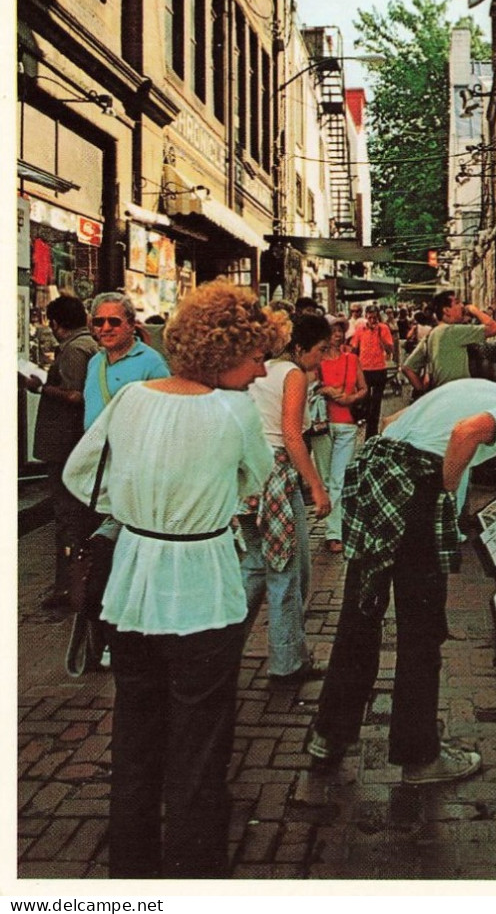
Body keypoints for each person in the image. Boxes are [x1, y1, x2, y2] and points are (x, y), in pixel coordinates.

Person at [62, 280, 279, 878]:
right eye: (257, 355)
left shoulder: (131, 400)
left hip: (132, 582)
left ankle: (131, 872)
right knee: (200, 744)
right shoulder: (233, 411)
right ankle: (194, 871)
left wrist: (137, 509)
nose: (262, 371)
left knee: (135, 734)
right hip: (204, 586)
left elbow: (82, 475)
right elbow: (256, 482)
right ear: (226, 351)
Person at [307, 363, 496, 785]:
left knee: (360, 614)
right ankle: (419, 756)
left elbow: (390, 421)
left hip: (379, 485)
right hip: (417, 498)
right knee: (422, 629)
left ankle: (329, 735)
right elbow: (465, 435)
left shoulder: (475, 387)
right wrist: (444, 489)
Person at [238, 313, 332, 681]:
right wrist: (317, 485)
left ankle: (224, 647)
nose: (322, 358)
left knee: (256, 566)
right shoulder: (292, 375)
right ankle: (287, 661)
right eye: (321, 350)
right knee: (284, 572)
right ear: (299, 347)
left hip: (249, 473)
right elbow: (292, 437)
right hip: (277, 476)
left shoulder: (259, 370)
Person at [19, 296, 99, 607]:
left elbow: (75, 395)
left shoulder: (74, 349)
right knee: (78, 513)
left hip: (65, 444)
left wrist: (38, 387)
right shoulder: (88, 345)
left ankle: (67, 586)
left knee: (67, 516)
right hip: (76, 442)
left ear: (55, 323)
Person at [312, 315, 368, 553]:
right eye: (332, 330)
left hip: (346, 424)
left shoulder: (351, 359)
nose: (337, 334)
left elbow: (364, 388)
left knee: (338, 479)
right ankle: (333, 527)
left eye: (339, 330)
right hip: (320, 424)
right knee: (326, 478)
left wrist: (349, 398)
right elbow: (309, 389)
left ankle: (334, 532)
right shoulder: (315, 361)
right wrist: (326, 390)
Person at [83, 292, 170, 428]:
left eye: (114, 321)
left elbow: (165, 415)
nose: (106, 328)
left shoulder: (152, 363)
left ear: (131, 324)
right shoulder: (95, 362)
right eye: (99, 322)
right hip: (96, 448)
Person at [400, 291, 496, 395]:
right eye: (457, 302)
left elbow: (407, 368)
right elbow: (495, 328)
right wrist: (473, 309)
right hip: (458, 395)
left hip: (440, 396)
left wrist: (424, 393)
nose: (462, 306)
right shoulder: (452, 331)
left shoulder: (431, 335)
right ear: (446, 310)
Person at [350, 305, 394, 438]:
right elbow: (354, 348)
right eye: (369, 317)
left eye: (374, 317)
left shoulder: (384, 328)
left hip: (379, 369)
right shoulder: (360, 329)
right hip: (364, 370)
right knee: (366, 401)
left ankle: (371, 433)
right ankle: (367, 426)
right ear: (366, 317)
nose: (372, 320)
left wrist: (380, 336)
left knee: (376, 403)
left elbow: (390, 348)